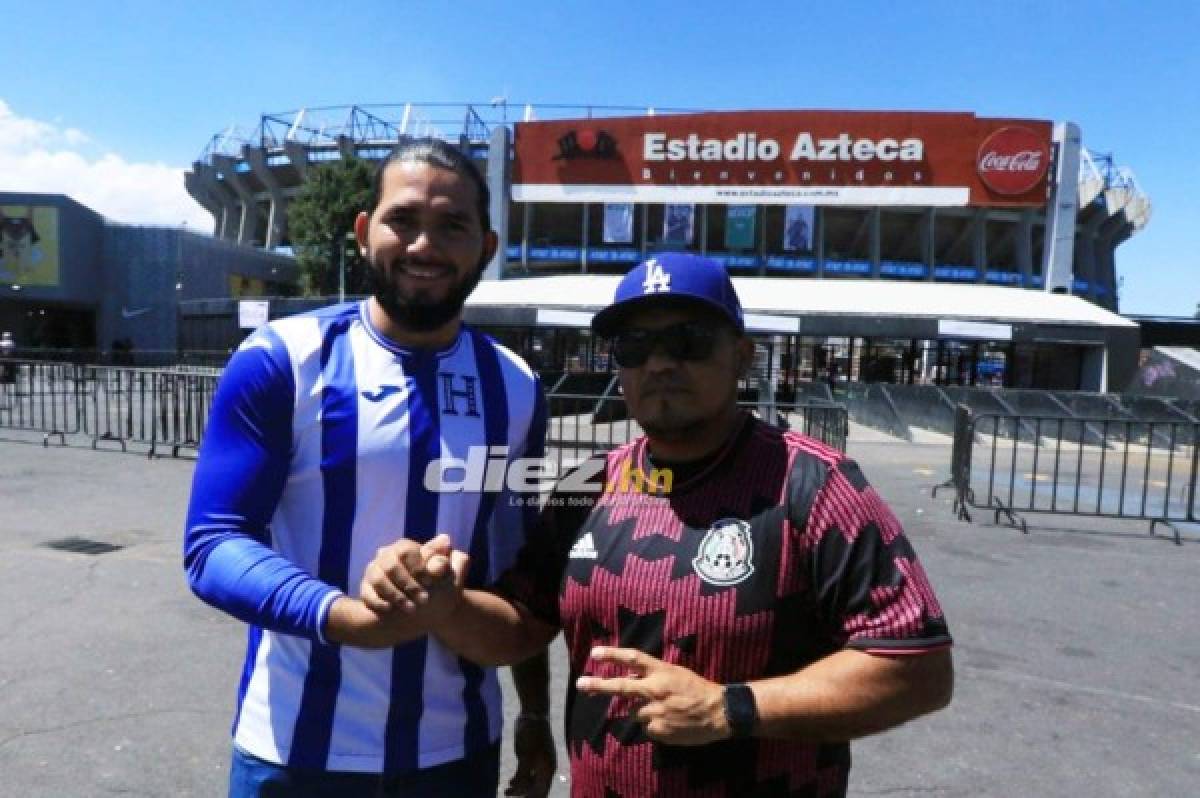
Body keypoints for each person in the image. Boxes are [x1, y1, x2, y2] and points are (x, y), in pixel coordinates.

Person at [362, 253, 954, 796]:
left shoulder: (813, 484)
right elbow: (520, 624)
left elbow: (919, 667)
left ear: (743, 356)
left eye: (688, 340)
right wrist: (444, 605)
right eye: (635, 346)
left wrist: (730, 709)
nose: (661, 363)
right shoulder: (585, 486)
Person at [184, 137, 556, 797]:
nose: (424, 246)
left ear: (487, 248)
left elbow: (516, 572)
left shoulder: (518, 385)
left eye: (452, 226)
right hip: (295, 754)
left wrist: (533, 710)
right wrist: (350, 618)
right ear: (364, 232)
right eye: (403, 220)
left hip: (457, 754)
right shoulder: (281, 360)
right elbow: (213, 546)